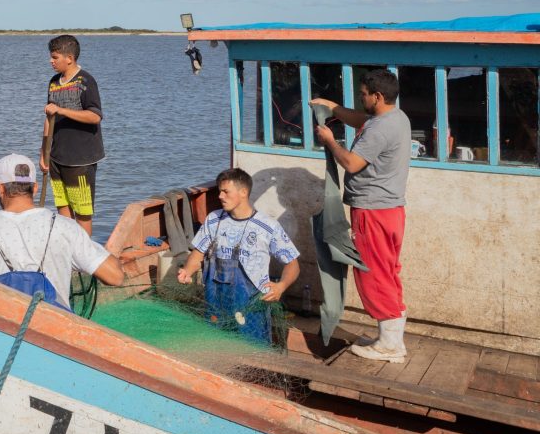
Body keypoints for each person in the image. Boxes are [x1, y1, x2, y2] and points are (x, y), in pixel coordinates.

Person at [310, 69, 411, 363]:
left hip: (372, 212)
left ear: (378, 96)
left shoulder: (379, 129)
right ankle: (390, 338)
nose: (361, 98)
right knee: (388, 271)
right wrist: (332, 107)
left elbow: (352, 164)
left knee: (372, 274)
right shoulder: (396, 118)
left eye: (364, 94)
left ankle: (390, 346)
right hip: (391, 210)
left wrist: (330, 140)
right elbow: (359, 119)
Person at [0, 154, 124, 310]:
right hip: (54, 331)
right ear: (34, 188)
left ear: (0, 189)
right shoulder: (65, 227)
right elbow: (115, 277)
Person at [176, 168, 301, 344]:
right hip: (216, 303)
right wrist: (187, 272)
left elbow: (293, 264)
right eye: (220, 191)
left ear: (243, 192)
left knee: (253, 350)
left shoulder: (267, 227)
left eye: (226, 191)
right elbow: (197, 255)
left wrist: (280, 286)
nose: (220, 196)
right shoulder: (213, 220)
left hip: (251, 307)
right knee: (216, 346)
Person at [40, 35, 103, 236]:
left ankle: (84, 260)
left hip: (80, 159)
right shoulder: (53, 82)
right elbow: (48, 117)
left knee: (83, 212)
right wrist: (43, 154)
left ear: (69, 58)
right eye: (51, 57)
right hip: (56, 156)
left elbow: (95, 116)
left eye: (55, 57)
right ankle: (69, 255)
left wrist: (61, 110)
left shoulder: (86, 81)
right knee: (62, 208)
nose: (51, 61)